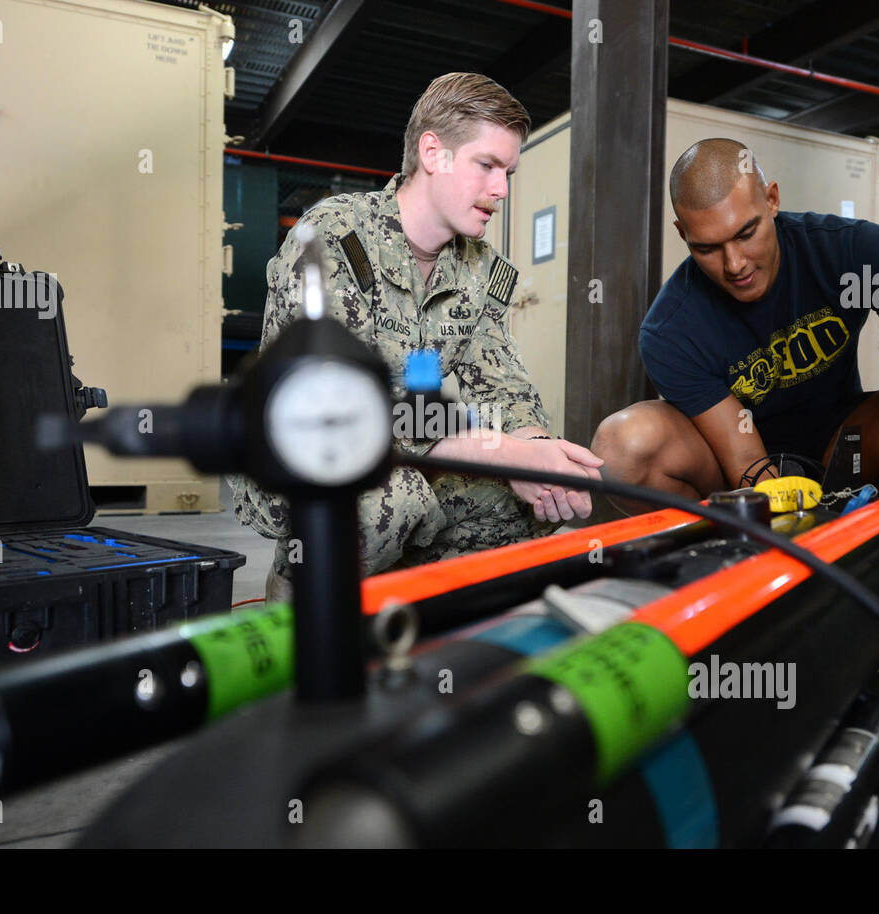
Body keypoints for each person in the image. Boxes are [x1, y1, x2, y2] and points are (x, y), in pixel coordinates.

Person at [231, 72, 602, 598]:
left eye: (508, 172)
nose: (502, 189)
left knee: (527, 499)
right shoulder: (334, 236)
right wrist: (502, 452)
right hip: (304, 449)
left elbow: (505, 390)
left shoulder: (479, 269)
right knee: (391, 500)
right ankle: (299, 601)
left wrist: (538, 450)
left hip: (405, 447)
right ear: (433, 153)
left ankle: (402, 603)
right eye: (488, 166)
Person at [592, 137, 879, 506]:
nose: (735, 264)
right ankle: (728, 557)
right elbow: (745, 459)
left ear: (773, 200)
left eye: (747, 233)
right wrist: (783, 515)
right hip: (733, 471)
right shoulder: (671, 329)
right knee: (622, 446)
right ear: (683, 234)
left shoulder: (856, 254)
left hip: (845, 440)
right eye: (708, 248)